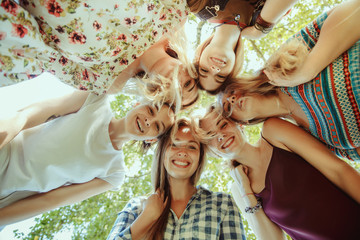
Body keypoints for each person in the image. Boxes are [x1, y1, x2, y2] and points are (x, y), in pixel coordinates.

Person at [0, 89, 175, 228]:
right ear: (138, 103)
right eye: (151, 110)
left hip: (6, 198)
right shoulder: (94, 100)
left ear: (151, 139)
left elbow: (51, 200)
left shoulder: (113, 173)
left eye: (156, 126)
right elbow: (25, 116)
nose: (148, 121)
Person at [220, 0, 360, 160]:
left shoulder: (281, 67)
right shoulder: (302, 136)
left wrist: (307, 71)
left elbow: (355, 9)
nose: (231, 99)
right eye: (227, 108)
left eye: (231, 91)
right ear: (243, 122)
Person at [200, 105, 360, 240]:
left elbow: (338, 170)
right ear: (212, 151)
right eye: (211, 136)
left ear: (239, 124)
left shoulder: (273, 132)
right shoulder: (239, 189)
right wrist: (246, 192)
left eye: (223, 125)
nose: (220, 135)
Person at [0, 0, 190, 94]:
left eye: (174, 98)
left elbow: (49, 59)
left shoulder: (107, 81)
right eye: (188, 84)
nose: (176, 85)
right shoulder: (175, 15)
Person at [107, 118, 246, 240]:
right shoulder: (136, 208)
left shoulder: (222, 204)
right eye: (174, 144)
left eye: (192, 147)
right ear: (162, 152)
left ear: (200, 158)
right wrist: (147, 216)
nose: (183, 152)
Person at [191, 0, 297, 94]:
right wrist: (260, 29)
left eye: (204, 70)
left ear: (199, 55)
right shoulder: (258, 24)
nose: (215, 70)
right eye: (220, 76)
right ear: (233, 70)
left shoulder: (197, 6)